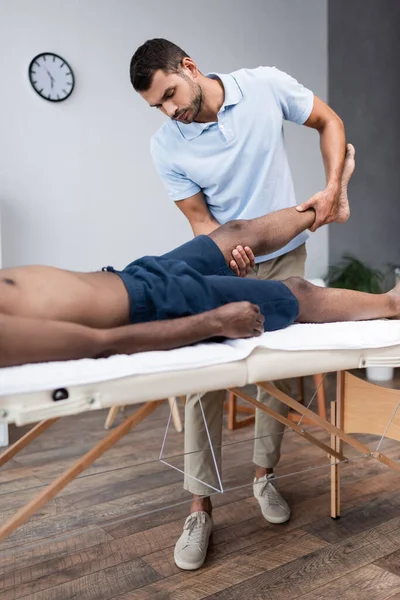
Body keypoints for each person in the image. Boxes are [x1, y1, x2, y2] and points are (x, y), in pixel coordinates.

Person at [129, 37, 348, 569]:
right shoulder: (167, 146)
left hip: (287, 253)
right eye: (157, 105)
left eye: (170, 94)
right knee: (205, 373)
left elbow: (330, 122)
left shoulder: (264, 86)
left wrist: (331, 188)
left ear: (189, 66)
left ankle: (264, 477)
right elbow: (202, 225)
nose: (169, 110)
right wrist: (230, 256)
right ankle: (200, 507)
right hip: (227, 262)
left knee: (274, 374)